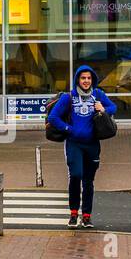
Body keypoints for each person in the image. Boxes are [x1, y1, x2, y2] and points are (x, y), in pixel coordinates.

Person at [46, 65, 116, 229]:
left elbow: (114, 107)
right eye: (83, 78)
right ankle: (73, 213)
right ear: (78, 79)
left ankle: (86, 216)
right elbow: (54, 117)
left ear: (92, 80)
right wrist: (69, 129)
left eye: (89, 78)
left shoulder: (98, 94)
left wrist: (103, 108)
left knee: (89, 180)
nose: (86, 81)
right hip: (74, 144)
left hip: (92, 144)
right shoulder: (69, 97)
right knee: (76, 175)